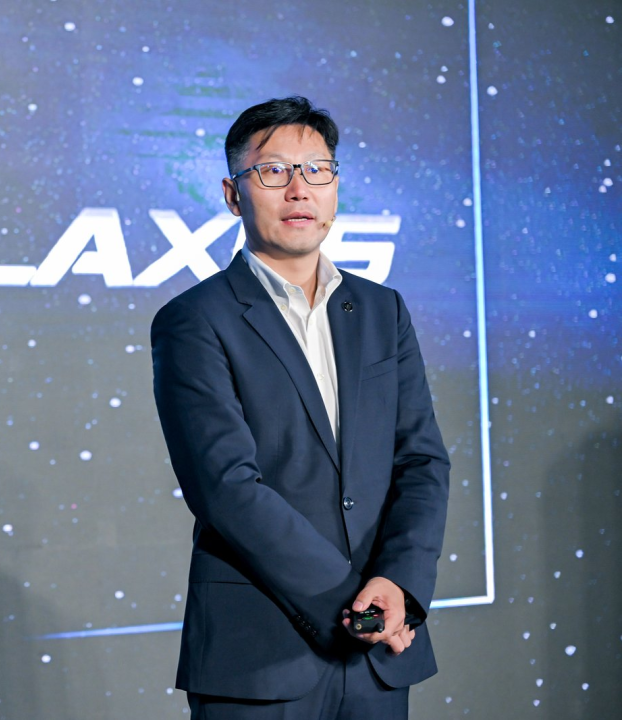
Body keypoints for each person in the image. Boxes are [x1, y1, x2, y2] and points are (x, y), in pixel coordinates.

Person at [150, 96, 450, 719]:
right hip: (259, 657)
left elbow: (421, 461)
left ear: (335, 186)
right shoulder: (194, 321)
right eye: (273, 171)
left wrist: (397, 584)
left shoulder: (383, 311)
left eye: (317, 170)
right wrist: (355, 608)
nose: (299, 189)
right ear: (233, 195)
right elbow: (226, 488)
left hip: (379, 658)